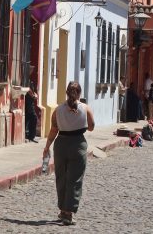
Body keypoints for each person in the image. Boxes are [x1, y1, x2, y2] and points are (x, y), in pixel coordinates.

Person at [43, 81, 95, 226]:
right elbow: (91, 127)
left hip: (61, 145)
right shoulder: (85, 108)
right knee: (75, 179)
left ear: (66, 93)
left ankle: (62, 210)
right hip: (78, 144)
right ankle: (68, 212)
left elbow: (54, 130)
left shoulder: (58, 110)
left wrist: (47, 147)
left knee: (61, 177)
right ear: (79, 93)